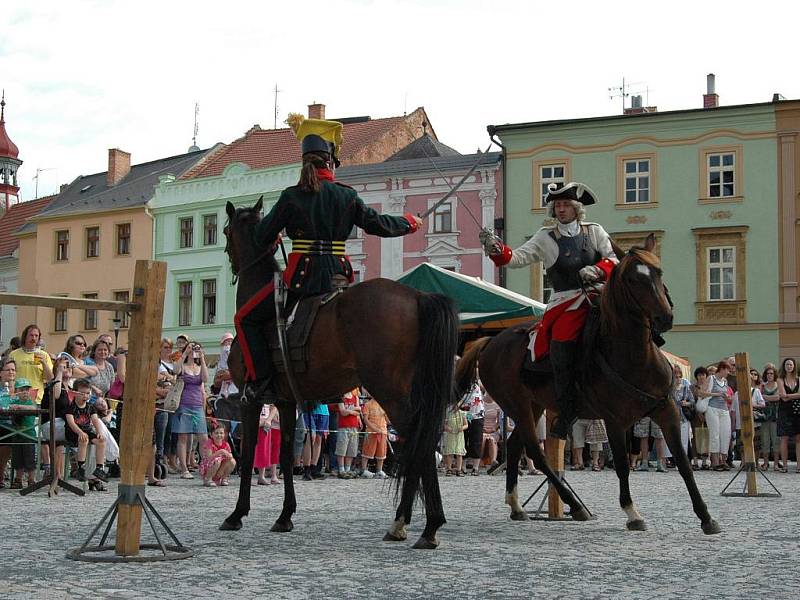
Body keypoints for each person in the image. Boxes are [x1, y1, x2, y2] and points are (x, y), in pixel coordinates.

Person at [234, 116, 422, 403]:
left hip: (301, 279)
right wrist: (409, 222)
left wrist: (274, 234)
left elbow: (260, 237)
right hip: (337, 275)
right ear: (330, 162)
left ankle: (259, 382)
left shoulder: (292, 196)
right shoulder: (346, 195)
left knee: (245, 317)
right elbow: (379, 224)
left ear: (304, 162)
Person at [485, 182, 618, 438]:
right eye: (557, 205)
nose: (561, 209)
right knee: (562, 338)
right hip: (565, 301)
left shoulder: (594, 231)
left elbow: (614, 258)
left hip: (597, 295)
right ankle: (566, 405)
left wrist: (598, 269)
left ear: (576, 208)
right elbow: (516, 259)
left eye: (566, 205)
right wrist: (497, 250)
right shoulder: (546, 237)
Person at [172, 341, 210, 479]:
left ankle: (206, 467)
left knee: (203, 437)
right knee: (183, 437)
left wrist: (203, 358)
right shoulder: (183, 365)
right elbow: (175, 370)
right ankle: (184, 469)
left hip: (198, 405)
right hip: (184, 404)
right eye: (191, 348)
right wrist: (185, 353)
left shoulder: (199, 367)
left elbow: (205, 379)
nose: (193, 351)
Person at [65, 378, 108, 485]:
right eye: (82, 393)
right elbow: (71, 422)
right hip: (73, 432)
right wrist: (80, 432)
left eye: (88, 393)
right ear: (74, 393)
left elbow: (95, 420)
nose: (85, 396)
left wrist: (99, 432)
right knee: (84, 439)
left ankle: (99, 468)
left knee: (101, 441)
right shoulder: (71, 407)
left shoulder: (90, 407)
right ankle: (80, 467)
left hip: (86, 430)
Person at [9, 324, 53, 405]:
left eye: (36, 336)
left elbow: (50, 378)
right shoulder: (13, 354)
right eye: (31, 335)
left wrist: (44, 363)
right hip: (17, 398)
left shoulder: (44, 355)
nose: (34, 338)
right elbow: (8, 376)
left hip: (36, 399)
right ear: (25, 336)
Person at [704, 360, 734, 471]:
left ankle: (724, 460)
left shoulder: (725, 381)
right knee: (715, 434)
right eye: (727, 370)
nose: (728, 373)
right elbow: (702, 392)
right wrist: (717, 394)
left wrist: (727, 397)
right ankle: (715, 462)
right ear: (722, 369)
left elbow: (728, 396)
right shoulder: (711, 378)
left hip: (724, 409)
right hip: (712, 408)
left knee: (726, 434)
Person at [8, 377, 37, 488]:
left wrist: (20, 406)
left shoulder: (30, 401)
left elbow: (33, 408)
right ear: (16, 391)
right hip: (16, 434)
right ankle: (18, 479)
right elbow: (7, 405)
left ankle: (31, 480)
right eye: (22, 389)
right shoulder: (14, 400)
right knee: (17, 459)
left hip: (28, 434)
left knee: (30, 459)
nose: (25, 392)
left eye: (27, 389)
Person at [776, 357, 800, 473]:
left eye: (791, 365)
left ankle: (799, 466)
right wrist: (796, 395)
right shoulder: (780, 380)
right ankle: (785, 466)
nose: (789, 366)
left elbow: (785, 396)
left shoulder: (799, 379)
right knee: (784, 438)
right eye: (787, 365)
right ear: (784, 367)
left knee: (798, 439)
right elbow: (782, 397)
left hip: (797, 411)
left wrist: (787, 396)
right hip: (784, 411)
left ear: (794, 366)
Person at [360, 393, 389, 479]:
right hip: (371, 432)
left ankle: (379, 470)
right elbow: (365, 419)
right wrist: (374, 428)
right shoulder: (368, 405)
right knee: (368, 450)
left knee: (382, 451)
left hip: (382, 431)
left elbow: (387, 420)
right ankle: (364, 469)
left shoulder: (384, 405)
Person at [335, 388, 362, 479]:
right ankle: (341, 469)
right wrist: (352, 411)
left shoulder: (355, 397)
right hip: (343, 426)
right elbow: (342, 412)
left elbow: (359, 411)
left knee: (351, 448)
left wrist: (350, 410)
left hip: (354, 426)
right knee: (342, 448)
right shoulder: (341, 398)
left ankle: (348, 468)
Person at [200, 422, 236, 487]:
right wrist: (221, 451)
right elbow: (209, 457)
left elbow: (230, 455)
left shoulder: (226, 444)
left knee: (232, 461)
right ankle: (208, 479)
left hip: (219, 469)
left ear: (224, 434)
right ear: (211, 435)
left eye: (221, 433)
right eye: (216, 433)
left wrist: (229, 455)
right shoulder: (209, 443)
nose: (219, 435)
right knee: (217, 460)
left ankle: (223, 478)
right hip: (209, 468)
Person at [462, 379, 486, 475]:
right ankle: (462, 466)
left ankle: (475, 467)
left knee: (476, 440)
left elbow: (485, 388)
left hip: (477, 414)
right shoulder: (461, 380)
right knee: (463, 439)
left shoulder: (478, 382)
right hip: (463, 413)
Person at [760, 365, 780, 471]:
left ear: (775, 374)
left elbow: (778, 397)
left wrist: (765, 397)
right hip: (764, 416)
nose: (769, 375)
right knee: (765, 440)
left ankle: (776, 464)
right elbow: (759, 397)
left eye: (771, 373)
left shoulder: (778, 385)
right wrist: (770, 398)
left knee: (776, 440)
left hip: (775, 416)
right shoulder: (762, 386)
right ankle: (766, 463)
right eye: (767, 373)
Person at [255, 403, 280, 485]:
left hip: (266, 424)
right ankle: (248, 475)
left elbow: (274, 407)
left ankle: (261, 476)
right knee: (252, 449)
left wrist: (269, 419)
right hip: (254, 422)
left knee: (264, 449)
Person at [0, 359, 16, 487]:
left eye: (13, 370)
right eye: (8, 369)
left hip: (12, 424)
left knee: (12, 435)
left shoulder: (21, 387)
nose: (11, 372)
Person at [442, 404, 468, 477]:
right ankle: (449, 468)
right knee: (449, 453)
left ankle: (459, 469)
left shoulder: (462, 414)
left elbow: (466, 425)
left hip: (459, 436)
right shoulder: (448, 414)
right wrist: (447, 428)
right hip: (450, 436)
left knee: (459, 453)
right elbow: (444, 424)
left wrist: (462, 428)